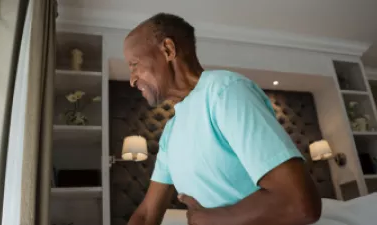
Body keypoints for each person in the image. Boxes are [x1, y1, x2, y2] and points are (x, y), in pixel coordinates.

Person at [124, 13, 321, 225]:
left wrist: (208, 219)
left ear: (168, 50)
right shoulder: (170, 132)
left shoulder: (225, 91)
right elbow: (146, 215)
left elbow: (298, 203)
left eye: (134, 64)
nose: (132, 80)